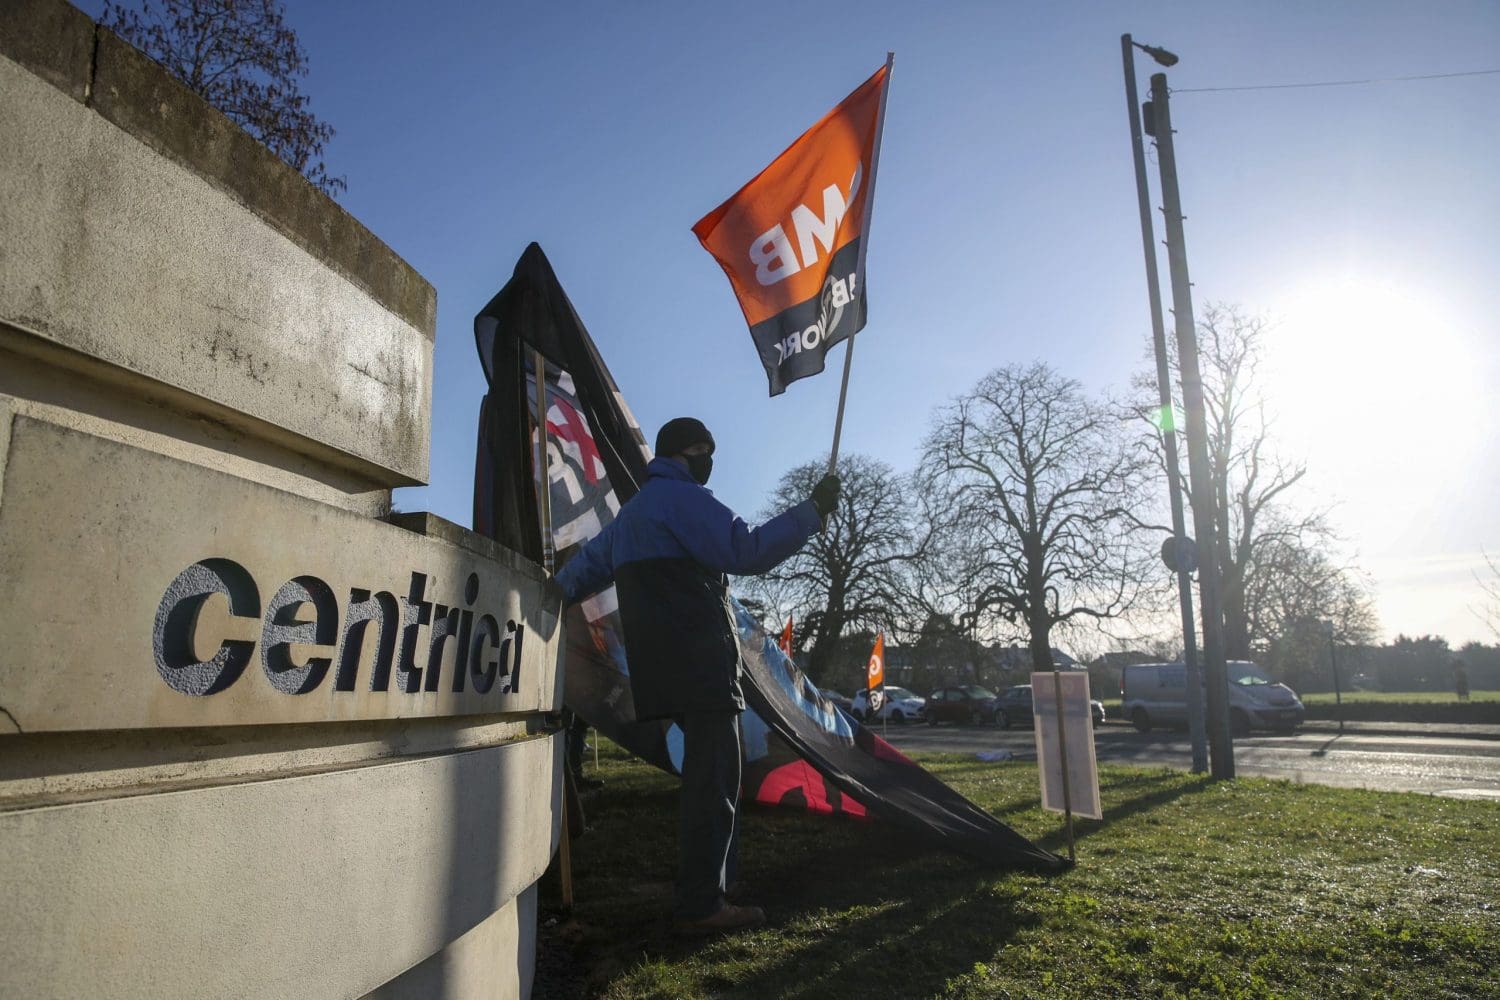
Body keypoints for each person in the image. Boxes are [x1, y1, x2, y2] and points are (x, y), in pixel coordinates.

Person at [555, 417, 838, 935]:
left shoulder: (633, 513)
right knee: (715, 784)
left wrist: (545, 590)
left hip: (659, 672)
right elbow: (747, 550)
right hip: (702, 666)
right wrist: (812, 511)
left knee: (706, 782)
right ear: (691, 451)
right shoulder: (685, 501)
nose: (711, 463)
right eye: (707, 451)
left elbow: (580, 574)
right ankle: (704, 904)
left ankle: (706, 890)